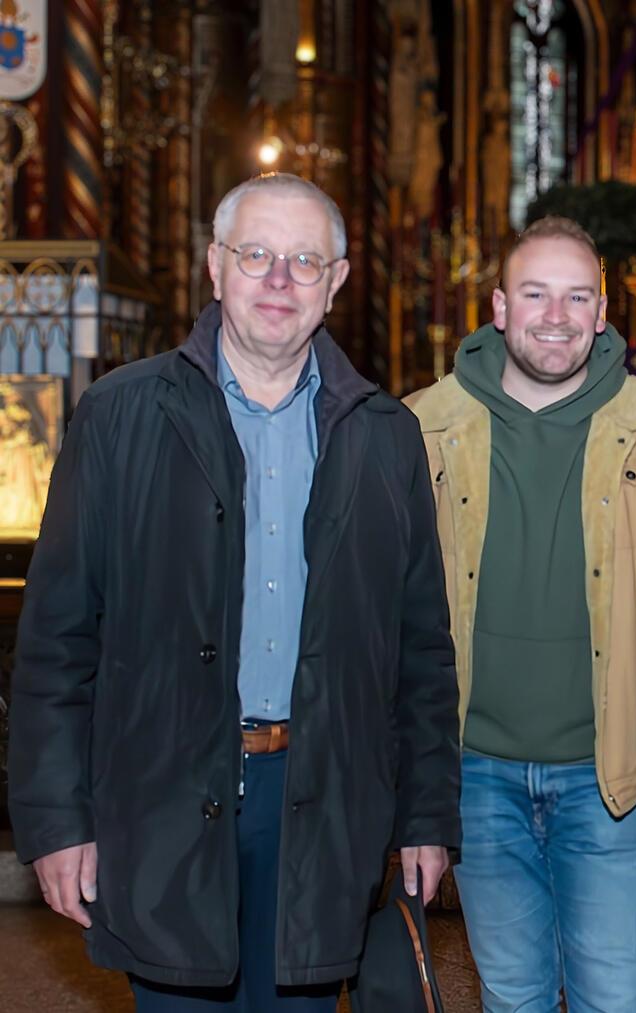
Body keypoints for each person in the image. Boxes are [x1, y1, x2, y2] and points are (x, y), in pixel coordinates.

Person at [7, 172, 460, 1011]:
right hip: (165, 798)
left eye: (304, 260)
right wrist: (57, 820)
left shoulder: (385, 435)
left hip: (325, 804)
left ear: (336, 281)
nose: (279, 279)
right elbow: (57, 642)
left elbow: (422, 651)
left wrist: (427, 816)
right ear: (215, 266)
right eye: (256, 254)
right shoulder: (119, 416)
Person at [406, 215, 636, 1013]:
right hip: (474, 770)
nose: (555, 316)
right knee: (512, 995)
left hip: (611, 775)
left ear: (601, 313)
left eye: (576, 296)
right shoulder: (422, 426)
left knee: (615, 997)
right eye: (535, 294)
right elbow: (385, 606)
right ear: (499, 306)